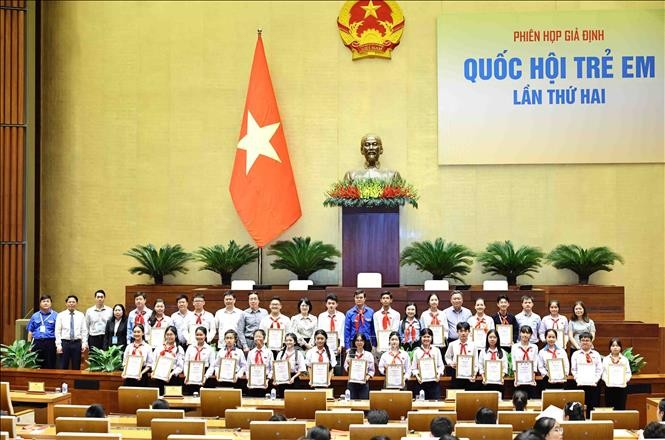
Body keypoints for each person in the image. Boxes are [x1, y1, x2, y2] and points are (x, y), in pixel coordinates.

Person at [570, 331, 602, 417]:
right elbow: (574, 369)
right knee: (580, 408)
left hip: (593, 385)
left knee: (592, 407)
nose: (585, 342)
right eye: (583, 340)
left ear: (591, 342)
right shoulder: (575, 354)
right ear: (579, 342)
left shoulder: (596, 354)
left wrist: (595, 381)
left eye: (587, 340)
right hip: (580, 385)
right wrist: (578, 379)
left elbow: (599, 370)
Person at [55, 295, 88, 370]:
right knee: (63, 366)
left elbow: (84, 330)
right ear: (66, 303)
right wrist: (58, 345)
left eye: (73, 302)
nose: (71, 303)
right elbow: (58, 331)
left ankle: (75, 381)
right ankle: (63, 382)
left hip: (77, 343)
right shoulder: (60, 315)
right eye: (69, 302)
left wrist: (84, 343)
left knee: (76, 366)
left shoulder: (81, 315)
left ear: (76, 303)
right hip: (65, 343)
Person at [150, 325, 184, 394]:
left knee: (172, 399)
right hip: (159, 375)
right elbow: (153, 361)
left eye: (171, 334)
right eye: (167, 334)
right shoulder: (159, 347)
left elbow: (180, 366)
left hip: (172, 377)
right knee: (160, 397)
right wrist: (153, 371)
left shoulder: (179, 349)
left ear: (176, 335)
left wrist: (171, 374)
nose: (169, 337)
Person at [412, 327, 445, 399]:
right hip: (421, 382)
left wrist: (439, 375)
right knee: (420, 405)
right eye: (424, 337)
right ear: (421, 338)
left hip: (434, 382)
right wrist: (417, 377)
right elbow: (414, 368)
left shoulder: (436, 350)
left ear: (432, 338)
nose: (426, 339)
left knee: (435, 405)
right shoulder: (417, 351)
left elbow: (441, 366)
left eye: (428, 337)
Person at [26, 294, 57, 369]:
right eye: (43, 301)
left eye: (47, 301)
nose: (45, 303)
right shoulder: (35, 316)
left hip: (50, 342)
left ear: (51, 303)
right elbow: (30, 331)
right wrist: (29, 345)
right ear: (40, 303)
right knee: (37, 364)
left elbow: (58, 331)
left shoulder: (56, 315)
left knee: (50, 364)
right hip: (37, 342)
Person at [316, 293, 345, 369]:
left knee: (338, 370)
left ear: (336, 304)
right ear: (326, 304)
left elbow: (342, 332)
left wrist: (341, 345)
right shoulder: (321, 316)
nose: (331, 305)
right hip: (324, 345)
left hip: (337, 346)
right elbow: (319, 332)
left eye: (333, 303)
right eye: (329, 303)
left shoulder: (342, 316)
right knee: (325, 369)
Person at [183, 326, 215, 394]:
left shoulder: (210, 349)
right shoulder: (190, 347)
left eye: (201, 335)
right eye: (197, 335)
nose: (199, 337)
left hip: (204, 376)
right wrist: (187, 375)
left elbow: (212, 366)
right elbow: (186, 363)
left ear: (205, 335)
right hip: (191, 374)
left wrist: (205, 377)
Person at [602, 337, 632, 410]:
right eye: (613, 345)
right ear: (610, 347)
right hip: (609, 388)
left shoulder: (624, 360)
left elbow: (628, 373)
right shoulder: (606, 359)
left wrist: (624, 381)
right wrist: (607, 381)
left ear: (620, 347)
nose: (615, 348)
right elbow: (603, 373)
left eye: (617, 345)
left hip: (621, 388)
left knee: (620, 407)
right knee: (610, 408)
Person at [444, 322, 475, 390]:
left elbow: (476, 362)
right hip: (456, 373)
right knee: (456, 394)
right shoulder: (452, 344)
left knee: (468, 397)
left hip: (469, 374)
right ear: (457, 332)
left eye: (465, 331)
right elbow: (447, 357)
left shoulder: (473, 345)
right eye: (461, 331)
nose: (463, 333)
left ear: (469, 332)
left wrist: (474, 373)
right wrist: (451, 363)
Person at [274, 332, 306, 397]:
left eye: (290, 340)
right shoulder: (280, 354)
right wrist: (276, 379)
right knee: (282, 399)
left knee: (294, 400)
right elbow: (276, 368)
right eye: (287, 340)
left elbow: (302, 369)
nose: (288, 342)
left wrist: (293, 378)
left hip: (294, 378)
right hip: (282, 379)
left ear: (294, 342)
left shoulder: (298, 354)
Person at [477, 329, 507, 397]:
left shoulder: (502, 352)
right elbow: (480, 366)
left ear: (497, 339)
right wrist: (484, 377)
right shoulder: (482, 352)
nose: (492, 339)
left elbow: (505, 367)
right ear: (487, 338)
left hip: (499, 383)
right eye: (490, 337)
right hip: (486, 382)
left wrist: (501, 377)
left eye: (494, 337)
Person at [344, 333, 375, 399]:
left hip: (363, 383)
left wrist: (367, 377)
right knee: (351, 405)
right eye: (357, 340)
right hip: (352, 383)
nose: (359, 342)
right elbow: (345, 367)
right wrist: (349, 365)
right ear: (354, 342)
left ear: (364, 342)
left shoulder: (369, 355)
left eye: (361, 340)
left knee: (364, 404)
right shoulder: (350, 353)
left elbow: (372, 370)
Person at [511, 326, 538, 397]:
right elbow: (514, 363)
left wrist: (533, 378)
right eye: (523, 332)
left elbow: (535, 363)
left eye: (527, 333)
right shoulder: (514, 347)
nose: (525, 335)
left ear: (531, 335)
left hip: (530, 377)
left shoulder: (534, 347)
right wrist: (516, 379)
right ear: (520, 333)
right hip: (519, 377)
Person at [246, 328, 274, 396]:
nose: (257, 338)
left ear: (264, 338)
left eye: (259, 336)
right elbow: (247, 369)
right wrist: (248, 380)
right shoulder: (251, 352)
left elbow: (272, 369)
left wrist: (267, 380)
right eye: (256, 336)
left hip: (265, 381)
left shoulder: (269, 352)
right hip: (253, 381)